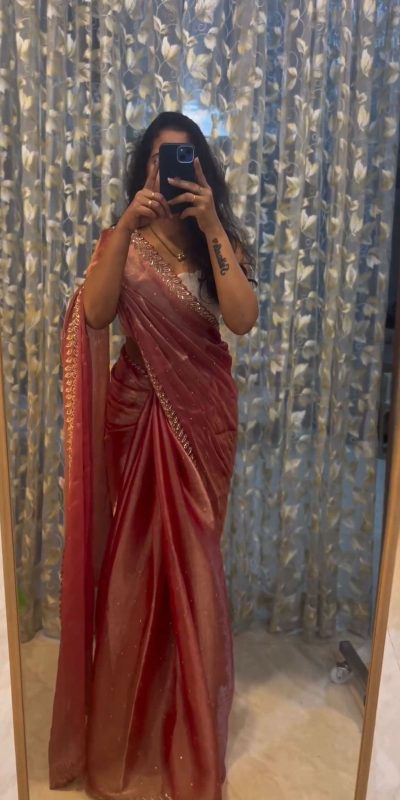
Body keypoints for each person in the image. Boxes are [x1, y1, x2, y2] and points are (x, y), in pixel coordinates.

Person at [48, 111, 259, 800]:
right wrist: (123, 228)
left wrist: (213, 225)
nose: (170, 173)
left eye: (184, 159)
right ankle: (129, 732)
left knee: (194, 574)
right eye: (159, 160)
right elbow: (97, 314)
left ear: (201, 170)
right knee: (137, 572)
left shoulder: (216, 242)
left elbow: (241, 318)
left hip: (203, 425)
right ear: (144, 169)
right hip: (138, 417)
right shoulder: (125, 241)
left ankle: (185, 727)